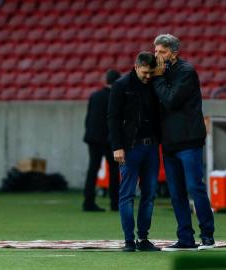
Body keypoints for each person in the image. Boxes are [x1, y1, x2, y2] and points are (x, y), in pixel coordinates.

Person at [152, 34, 215, 251]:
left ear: (174, 53)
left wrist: (158, 78)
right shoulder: (161, 73)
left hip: (188, 140)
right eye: (156, 51)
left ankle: (207, 236)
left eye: (162, 52)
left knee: (195, 188)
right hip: (169, 142)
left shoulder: (186, 72)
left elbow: (170, 99)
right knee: (176, 192)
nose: (157, 56)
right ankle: (185, 238)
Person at [108, 52, 161, 252]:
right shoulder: (121, 86)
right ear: (137, 67)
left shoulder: (155, 84)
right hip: (130, 148)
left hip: (151, 147)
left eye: (151, 73)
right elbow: (112, 118)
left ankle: (144, 238)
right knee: (128, 195)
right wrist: (117, 146)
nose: (148, 76)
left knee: (149, 195)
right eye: (146, 73)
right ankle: (129, 240)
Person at [82, 69, 121, 212]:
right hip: (108, 140)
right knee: (114, 171)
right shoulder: (116, 97)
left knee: (92, 169)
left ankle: (88, 201)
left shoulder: (94, 96)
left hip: (93, 138)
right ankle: (115, 203)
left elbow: (89, 118)